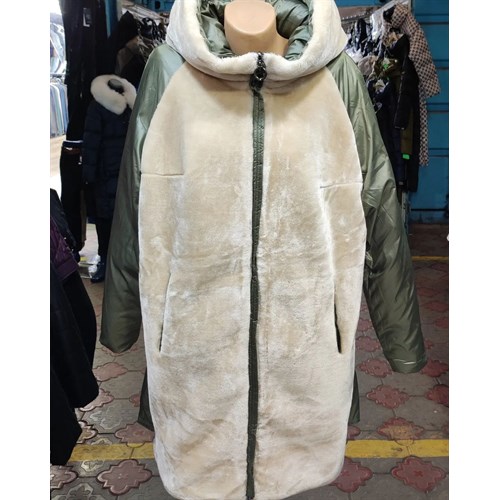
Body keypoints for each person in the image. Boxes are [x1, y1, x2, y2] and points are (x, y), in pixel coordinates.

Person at [82, 75, 136, 283]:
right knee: (108, 220)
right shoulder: (99, 107)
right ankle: (108, 261)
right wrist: (89, 175)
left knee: (118, 220)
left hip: (122, 172)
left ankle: (114, 263)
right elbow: (91, 142)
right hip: (110, 174)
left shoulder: (131, 105)